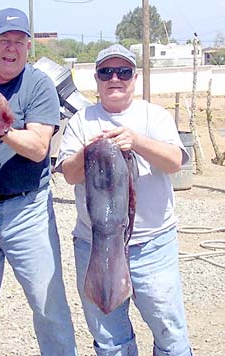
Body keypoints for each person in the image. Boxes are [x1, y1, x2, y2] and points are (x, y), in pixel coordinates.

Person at [55, 44, 193, 356]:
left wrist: (138, 141)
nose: (114, 78)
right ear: (97, 78)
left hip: (152, 245)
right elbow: (70, 174)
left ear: (134, 77)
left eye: (123, 72)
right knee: (109, 339)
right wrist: (89, 151)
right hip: (95, 246)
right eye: (106, 72)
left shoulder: (153, 116)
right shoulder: (80, 122)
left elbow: (174, 162)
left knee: (169, 333)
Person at [0, 8, 77, 356]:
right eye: (4, 40)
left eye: (19, 41)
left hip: (27, 210)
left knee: (48, 305)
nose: (11, 48)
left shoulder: (38, 84)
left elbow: (37, 148)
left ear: (28, 47)